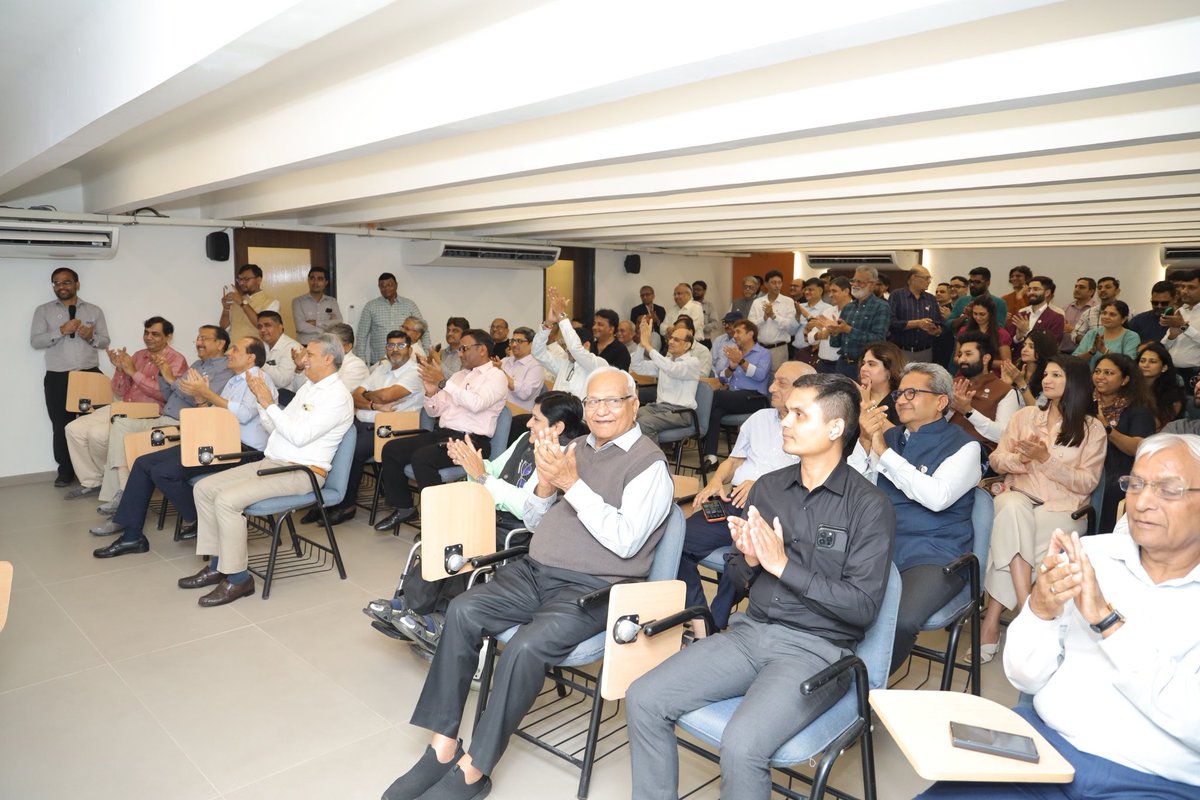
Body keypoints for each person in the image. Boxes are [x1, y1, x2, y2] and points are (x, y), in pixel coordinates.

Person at [380, 368, 673, 800]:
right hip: (535, 569)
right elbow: (537, 520)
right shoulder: (572, 447)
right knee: (462, 612)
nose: (602, 410)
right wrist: (544, 486)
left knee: (525, 647)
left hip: (591, 589)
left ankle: (475, 768)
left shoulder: (649, 466)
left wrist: (572, 485)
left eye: (613, 401)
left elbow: (627, 543)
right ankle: (442, 747)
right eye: (593, 402)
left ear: (634, 404)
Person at [625, 373, 896, 800]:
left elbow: (862, 607)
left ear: (835, 428)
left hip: (817, 652)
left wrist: (784, 565)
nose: (785, 421)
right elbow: (739, 575)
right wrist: (750, 563)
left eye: (799, 414)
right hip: (751, 634)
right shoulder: (769, 487)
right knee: (643, 698)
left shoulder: (869, 506)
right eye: (786, 412)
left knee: (742, 745)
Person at [915, 433, 1200, 800]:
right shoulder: (1089, 556)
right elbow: (1024, 676)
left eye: (1168, 489)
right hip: (1043, 752)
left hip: (1152, 780)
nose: (1142, 502)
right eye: (1138, 484)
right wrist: (1040, 612)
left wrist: (1108, 622)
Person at [366, 391, 587, 652]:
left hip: (518, 533)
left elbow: (529, 508)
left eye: (536, 420)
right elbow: (493, 470)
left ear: (558, 427)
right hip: (491, 515)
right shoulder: (525, 441)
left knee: (466, 549)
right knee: (447, 534)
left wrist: (483, 478)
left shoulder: (564, 459)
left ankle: (441, 621)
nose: (527, 423)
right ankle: (410, 606)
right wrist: (472, 462)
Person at [183, 333, 353, 606]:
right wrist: (263, 402)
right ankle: (218, 564)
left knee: (227, 501)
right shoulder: (309, 387)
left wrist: (267, 402)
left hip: (303, 473)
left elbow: (298, 436)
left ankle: (239, 579)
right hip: (274, 462)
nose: (303, 359)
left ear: (328, 359)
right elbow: (275, 426)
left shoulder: (337, 397)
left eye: (309, 354)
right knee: (204, 488)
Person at [851, 362, 981, 673]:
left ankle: (863, 691)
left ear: (941, 401)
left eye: (912, 392)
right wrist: (865, 443)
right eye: (899, 393)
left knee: (902, 617)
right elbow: (856, 487)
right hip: (880, 544)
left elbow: (937, 498)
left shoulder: (965, 446)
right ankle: (833, 668)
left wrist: (884, 452)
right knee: (834, 599)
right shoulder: (889, 436)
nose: (901, 399)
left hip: (934, 553)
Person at [90, 336, 277, 552]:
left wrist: (206, 393)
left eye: (235, 349)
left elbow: (243, 415)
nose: (229, 352)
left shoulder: (260, 379)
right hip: (218, 442)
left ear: (251, 357)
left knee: (163, 472)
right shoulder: (234, 381)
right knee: (142, 462)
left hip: (244, 451)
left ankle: (204, 520)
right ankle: (132, 536)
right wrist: (200, 398)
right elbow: (213, 417)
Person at [979, 355, 1106, 661]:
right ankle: (1027, 611)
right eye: (1046, 374)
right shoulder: (1024, 417)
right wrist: (1020, 460)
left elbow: (1086, 482)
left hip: (1062, 509)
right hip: (1020, 496)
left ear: (1074, 382)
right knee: (1010, 507)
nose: (1046, 380)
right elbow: (996, 459)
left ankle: (991, 621)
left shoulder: (1092, 429)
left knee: (1008, 537)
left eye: (1056, 375)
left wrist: (1045, 459)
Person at [678, 361, 808, 629]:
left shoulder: (810, 429)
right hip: (734, 501)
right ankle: (699, 617)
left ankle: (716, 622)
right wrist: (715, 480)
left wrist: (761, 484)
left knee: (738, 559)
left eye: (782, 383)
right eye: (774, 380)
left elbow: (806, 478)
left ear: (805, 389)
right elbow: (734, 462)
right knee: (676, 540)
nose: (771, 387)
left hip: (773, 512)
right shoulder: (759, 418)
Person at [374, 329, 508, 532]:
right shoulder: (458, 376)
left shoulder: (496, 376)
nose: (460, 353)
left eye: (464, 349)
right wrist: (431, 391)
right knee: (392, 449)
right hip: (444, 434)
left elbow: (477, 404)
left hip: (472, 442)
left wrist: (443, 382)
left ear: (482, 350)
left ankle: (438, 523)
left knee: (422, 457)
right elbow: (434, 410)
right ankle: (405, 508)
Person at [92, 327, 235, 510]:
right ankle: (123, 491)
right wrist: (162, 372)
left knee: (128, 440)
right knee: (120, 425)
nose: (198, 342)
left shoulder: (225, 370)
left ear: (221, 344)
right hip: (164, 418)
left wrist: (169, 377)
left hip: (182, 425)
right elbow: (170, 395)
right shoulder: (197, 365)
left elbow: (198, 398)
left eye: (204, 338)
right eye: (197, 338)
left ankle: (124, 497)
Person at [302, 329, 425, 527]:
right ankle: (325, 499)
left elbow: (387, 396)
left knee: (351, 452)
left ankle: (346, 505)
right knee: (329, 444)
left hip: (391, 429)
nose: (395, 350)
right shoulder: (382, 369)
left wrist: (369, 395)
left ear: (410, 349)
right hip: (364, 422)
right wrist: (374, 403)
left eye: (400, 345)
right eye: (391, 345)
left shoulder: (415, 372)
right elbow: (355, 395)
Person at [64, 317, 187, 501]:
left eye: (155, 334)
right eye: (146, 332)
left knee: (97, 434)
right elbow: (119, 390)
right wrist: (120, 370)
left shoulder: (176, 360)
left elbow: (166, 395)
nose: (148, 337)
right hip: (124, 406)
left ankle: (110, 481)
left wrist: (132, 372)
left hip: (150, 412)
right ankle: (94, 481)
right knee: (73, 429)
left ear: (168, 336)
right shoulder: (138, 355)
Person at [31, 267, 110, 487]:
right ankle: (65, 471)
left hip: (90, 374)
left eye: (66, 282)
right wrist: (61, 330)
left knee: (95, 425)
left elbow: (105, 341)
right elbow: (36, 341)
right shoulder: (43, 311)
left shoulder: (94, 310)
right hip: (59, 377)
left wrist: (91, 336)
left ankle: (98, 472)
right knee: (62, 425)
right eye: (56, 283)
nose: (61, 287)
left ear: (77, 284)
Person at [1093, 354, 1157, 533]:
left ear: (1124, 380)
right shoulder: (1086, 402)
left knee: (1109, 487)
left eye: (1108, 372)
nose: (1100, 377)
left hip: (1118, 471)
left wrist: (1106, 427)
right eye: (1097, 371)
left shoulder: (1137, 409)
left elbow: (1137, 447)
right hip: (1086, 464)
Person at [702, 319, 772, 466]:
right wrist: (732, 367)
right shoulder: (736, 353)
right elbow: (722, 378)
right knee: (716, 410)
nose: (735, 335)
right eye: (734, 332)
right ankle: (711, 457)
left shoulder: (763, 353)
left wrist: (741, 361)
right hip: (734, 398)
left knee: (715, 397)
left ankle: (697, 429)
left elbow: (760, 375)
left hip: (755, 398)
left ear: (750, 334)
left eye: (738, 332)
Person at [632, 318, 701, 442]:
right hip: (659, 407)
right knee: (629, 416)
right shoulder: (665, 361)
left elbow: (672, 369)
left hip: (681, 412)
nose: (670, 342)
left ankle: (654, 460)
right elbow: (637, 367)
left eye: (676, 339)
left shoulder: (692, 363)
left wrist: (648, 345)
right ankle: (635, 457)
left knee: (644, 423)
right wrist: (642, 345)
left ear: (687, 345)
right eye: (670, 338)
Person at [533, 287, 607, 399]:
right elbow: (537, 352)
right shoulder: (564, 364)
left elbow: (575, 349)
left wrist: (561, 315)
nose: (567, 350)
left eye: (569, 347)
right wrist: (548, 323)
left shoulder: (597, 364)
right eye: (566, 347)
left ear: (586, 345)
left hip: (580, 416)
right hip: (555, 412)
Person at [949, 332, 1019, 451]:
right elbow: (932, 422)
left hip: (980, 454)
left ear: (985, 358)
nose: (961, 359)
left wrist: (968, 412)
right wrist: (950, 409)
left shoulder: (1005, 391)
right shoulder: (951, 383)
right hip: (945, 445)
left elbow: (1004, 435)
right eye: (960, 354)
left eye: (968, 354)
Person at [831, 265, 892, 379]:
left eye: (860, 282)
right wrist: (834, 332)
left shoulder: (881, 307)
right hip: (842, 364)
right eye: (853, 281)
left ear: (872, 285)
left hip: (864, 366)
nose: (855, 285)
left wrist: (849, 330)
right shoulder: (848, 307)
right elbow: (835, 343)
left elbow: (878, 340)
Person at [355, 272, 430, 364]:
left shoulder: (409, 305)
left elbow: (422, 329)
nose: (386, 288)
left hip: (406, 362)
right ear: (379, 287)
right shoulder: (370, 306)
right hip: (379, 362)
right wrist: (361, 361)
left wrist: (427, 355)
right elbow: (362, 336)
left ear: (396, 285)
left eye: (390, 285)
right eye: (382, 286)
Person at [887, 265, 943, 363]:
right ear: (914, 278)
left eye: (930, 278)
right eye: (926, 278)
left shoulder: (931, 298)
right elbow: (890, 322)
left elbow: (938, 321)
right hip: (902, 351)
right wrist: (916, 324)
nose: (929, 281)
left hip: (926, 351)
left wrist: (936, 331)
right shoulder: (897, 295)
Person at [748, 269, 796, 372]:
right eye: (773, 282)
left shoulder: (788, 302)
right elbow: (750, 326)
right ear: (766, 284)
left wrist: (774, 316)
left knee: (778, 379)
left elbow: (791, 326)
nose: (777, 285)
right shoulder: (758, 302)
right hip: (760, 348)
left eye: (779, 282)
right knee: (759, 377)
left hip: (779, 349)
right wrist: (764, 318)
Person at [219, 264, 279, 342]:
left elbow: (261, 325)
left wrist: (242, 302)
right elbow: (224, 327)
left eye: (246, 279)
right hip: (234, 349)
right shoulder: (236, 300)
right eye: (239, 280)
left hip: (257, 350)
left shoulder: (272, 303)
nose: (241, 283)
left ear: (258, 280)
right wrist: (226, 309)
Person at [1160, 269, 1200, 387]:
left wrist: (1184, 327)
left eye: (1191, 288)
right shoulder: (1180, 311)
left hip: (1196, 375)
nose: (1184, 291)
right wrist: (1172, 336)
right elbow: (1164, 345)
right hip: (1173, 373)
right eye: (1183, 287)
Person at [946, 267, 1008, 341]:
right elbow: (948, 325)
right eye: (971, 282)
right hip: (962, 345)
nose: (972, 285)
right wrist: (964, 316)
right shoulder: (962, 301)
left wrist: (975, 315)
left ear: (988, 283)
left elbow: (999, 329)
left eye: (977, 282)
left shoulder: (999, 302)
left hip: (987, 347)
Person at [1000, 330, 1058, 409]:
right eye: (1024, 345)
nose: (1024, 350)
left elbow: (1038, 411)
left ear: (1043, 350)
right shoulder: (1017, 370)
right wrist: (1006, 385)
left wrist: (1021, 383)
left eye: (1031, 347)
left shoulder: (1048, 378)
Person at [806, 275, 852, 373]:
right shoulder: (828, 311)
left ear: (846, 291)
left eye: (834, 291)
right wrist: (819, 335)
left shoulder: (856, 312)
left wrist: (833, 330)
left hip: (843, 365)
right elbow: (810, 338)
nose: (830, 295)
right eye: (830, 291)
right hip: (823, 364)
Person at [1074, 300, 1139, 369]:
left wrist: (1104, 350)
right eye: (1104, 313)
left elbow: (1129, 365)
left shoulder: (1131, 337)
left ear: (1123, 319)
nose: (1106, 317)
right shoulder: (1092, 333)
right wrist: (1091, 352)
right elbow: (1074, 360)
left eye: (1112, 314)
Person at [253, 310, 304, 393]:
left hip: (286, 397)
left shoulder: (292, 347)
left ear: (280, 328)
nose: (262, 330)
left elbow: (283, 381)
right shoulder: (260, 346)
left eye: (267, 325)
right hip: (266, 393)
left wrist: (260, 363)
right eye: (259, 327)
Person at [1007, 275, 1065, 347]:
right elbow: (1007, 343)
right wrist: (1017, 337)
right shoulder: (1020, 315)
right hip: (1018, 357)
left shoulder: (1056, 318)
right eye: (1029, 290)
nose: (1031, 292)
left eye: (1036, 289)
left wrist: (1027, 332)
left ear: (1047, 293)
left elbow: (1051, 346)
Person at [856, 341, 904, 427]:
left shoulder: (900, 402)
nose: (863, 368)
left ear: (889, 371)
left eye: (871, 364)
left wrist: (868, 405)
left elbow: (896, 436)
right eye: (863, 363)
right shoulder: (854, 394)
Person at [291, 266, 342, 345]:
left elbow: (338, 322)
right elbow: (300, 326)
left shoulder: (332, 301)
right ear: (308, 280)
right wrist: (327, 328)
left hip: (327, 345)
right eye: (312, 278)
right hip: (305, 345)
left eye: (320, 279)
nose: (315, 282)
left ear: (326, 282)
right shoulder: (298, 301)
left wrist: (316, 323)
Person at [496, 327, 544, 412]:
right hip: (498, 409)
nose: (514, 345)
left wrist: (501, 373)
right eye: (513, 341)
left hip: (518, 415)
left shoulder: (536, 366)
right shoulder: (505, 361)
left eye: (519, 341)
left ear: (531, 344)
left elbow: (525, 394)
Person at [1137, 341, 1185, 425]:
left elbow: (1158, 426)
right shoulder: (1129, 388)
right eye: (1142, 361)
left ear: (1164, 367)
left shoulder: (1174, 396)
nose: (1145, 365)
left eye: (1152, 362)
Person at [957, 294, 1013, 364]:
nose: (978, 317)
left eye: (982, 314)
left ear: (991, 314)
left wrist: (981, 362)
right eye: (975, 314)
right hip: (966, 371)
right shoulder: (964, 331)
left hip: (991, 373)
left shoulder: (1001, 334)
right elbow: (956, 357)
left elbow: (1007, 363)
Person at [790, 277, 832, 365]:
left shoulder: (828, 309)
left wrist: (806, 314)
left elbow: (822, 329)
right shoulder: (799, 306)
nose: (806, 292)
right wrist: (798, 315)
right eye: (805, 289)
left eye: (810, 290)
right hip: (797, 351)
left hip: (815, 351)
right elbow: (791, 331)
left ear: (820, 291)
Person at [1061, 277, 1098, 351]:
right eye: (1076, 286)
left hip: (1084, 353)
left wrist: (1072, 330)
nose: (1077, 289)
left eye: (1081, 287)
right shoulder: (1066, 308)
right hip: (1063, 352)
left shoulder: (1096, 310)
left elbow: (1096, 334)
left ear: (1091, 291)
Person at [710, 311, 741, 375]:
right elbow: (711, 362)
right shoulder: (719, 340)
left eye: (730, 323)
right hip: (716, 378)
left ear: (740, 325)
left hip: (733, 380)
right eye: (725, 322)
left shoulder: (742, 342)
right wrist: (716, 377)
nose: (726, 326)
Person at [691, 279, 721, 345]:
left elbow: (715, 324)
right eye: (694, 289)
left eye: (698, 289)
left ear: (704, 291)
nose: (695, 291)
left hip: (705, 340)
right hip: (691, 340)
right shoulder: (689, 305)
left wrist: (701, 327)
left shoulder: (709, 306)